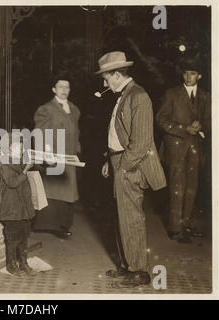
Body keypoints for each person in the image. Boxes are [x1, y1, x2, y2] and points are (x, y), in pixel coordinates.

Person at [97, 51, 166, 288]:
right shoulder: (124, 95)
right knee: (121, 217)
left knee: (132, 217)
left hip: (131, 166)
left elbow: (141, 142)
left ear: (117, 74)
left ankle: (139, 271)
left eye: (106, 78)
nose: (104, 83)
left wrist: (123, 167)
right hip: (119, 161)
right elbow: (119, 135)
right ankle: (127, 267)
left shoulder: (139, 96)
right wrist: (110, 160)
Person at [156, 59, 211, 243]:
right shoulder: (172, 94)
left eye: (193, 73)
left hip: (195, 147)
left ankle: (185, 224)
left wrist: (202, 125)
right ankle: (175, 228)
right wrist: (183, 128)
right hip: (176, 147)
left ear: (200, 76)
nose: (189, 76)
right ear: (183, 74)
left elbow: (211, 120)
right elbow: (161, 119)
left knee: (192, 187)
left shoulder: (206, 96)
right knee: (177, 187)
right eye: (186, 73)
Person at [31, 75, 81, 239]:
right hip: (53, 156)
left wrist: (77, 150)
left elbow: (76, 132)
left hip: (70, 157)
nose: (64, 90)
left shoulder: (74, 109)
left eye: (67, 87)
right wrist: (45, 154)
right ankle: (51, 226)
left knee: (68, 191)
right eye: (60, 87)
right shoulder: (46, 109)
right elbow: (39, 133)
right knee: (53, 190)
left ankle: (63, 225)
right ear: (53, 89)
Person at [0, 133, 36, 276]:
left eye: (21, 147)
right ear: (8, 149)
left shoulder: (19, 162)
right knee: (12, 239)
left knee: (24, 237)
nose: (20, 150)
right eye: (16, 147)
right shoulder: (4, 165)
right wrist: (26, 170)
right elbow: (13, 183)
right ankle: (11, 265)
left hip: (23, 210)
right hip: (11, 210)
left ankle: (24, 263)